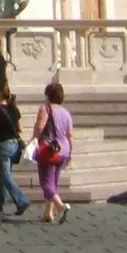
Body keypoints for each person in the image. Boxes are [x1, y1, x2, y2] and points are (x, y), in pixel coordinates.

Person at [33, 80, 73, 224]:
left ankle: (60, 206)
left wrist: (33, 140)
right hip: (63, 149)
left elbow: (39, 127)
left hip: (49, 149)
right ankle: (48, 212)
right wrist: (70, 153)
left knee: (46, 183)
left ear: (48, 95)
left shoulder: (46, 108)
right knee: (53, 181)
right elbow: (70, 135)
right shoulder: (66, 113)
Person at [0, 85, 31, 216]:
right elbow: (20, 128)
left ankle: (21, 200)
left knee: (4, 175)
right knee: (4, 174)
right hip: (14, 143)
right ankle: (0, 202)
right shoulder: (13, 108)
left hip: (2, 144)